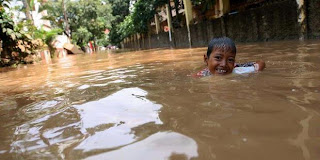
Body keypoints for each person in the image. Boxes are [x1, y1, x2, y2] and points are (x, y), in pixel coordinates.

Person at [195, 37, 265, 77]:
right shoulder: (201, 75)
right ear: (206, 59)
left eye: (230, 60)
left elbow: (261, 63)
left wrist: (257, 69)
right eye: (218, 58)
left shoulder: (238, 70)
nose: (224, 64)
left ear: (234, 61)